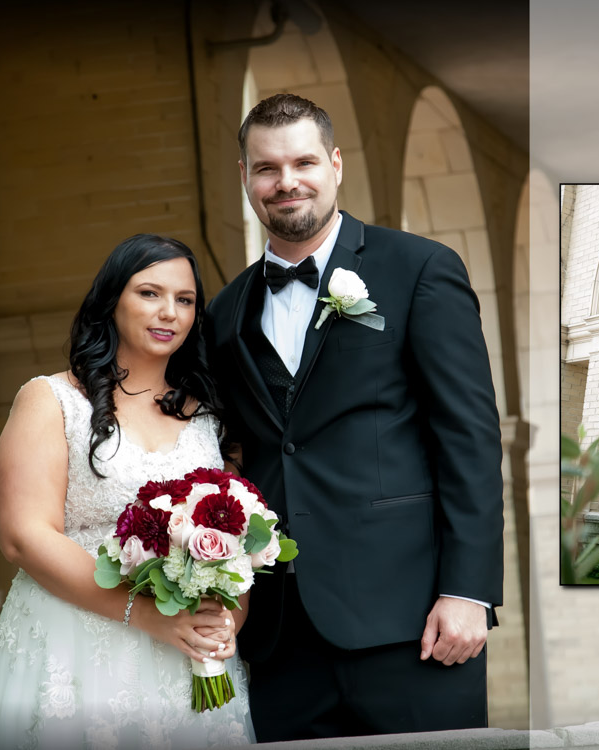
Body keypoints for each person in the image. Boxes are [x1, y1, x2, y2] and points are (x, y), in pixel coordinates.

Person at [204, 93, 502, 740]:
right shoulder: (223, 315)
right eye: (266, 168)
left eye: (303, 162)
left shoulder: (419, 270)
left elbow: (469, 438)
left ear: (335, 164)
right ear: (245, 177)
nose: (286, 182)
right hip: (281, 636)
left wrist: (469, 591)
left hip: (414, 621)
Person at [0, 235, 251, 748]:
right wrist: (143, 614)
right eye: (149, 293)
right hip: (75, 649)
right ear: (112, 301)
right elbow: (23, 535)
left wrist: (227, 619)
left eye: (184, 300)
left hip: (184, 661)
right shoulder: (52, 399)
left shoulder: (207, 418)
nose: (169, 311)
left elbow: (237, 542)